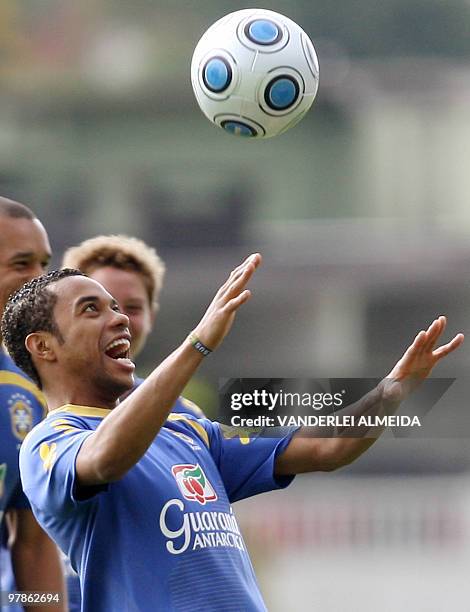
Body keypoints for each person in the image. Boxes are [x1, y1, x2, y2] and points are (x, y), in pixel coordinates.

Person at [2, 258, 463, 611]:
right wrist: (197, 343)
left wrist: (392, 392)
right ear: (44, 346)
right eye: (91, 310)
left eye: (118, 307)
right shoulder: (50, 442)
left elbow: (327, 447)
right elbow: (105, 459)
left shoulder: (189, 431)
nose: (119, 318)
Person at [0, 197, 65, 611]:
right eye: (22, 264)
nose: (41, 281)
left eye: (45, 264)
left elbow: (33, 546)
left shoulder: (27, 388)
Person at [61, 234, 203, 417]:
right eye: (95, 307)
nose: (120, 318)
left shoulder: (181, 415)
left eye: (133, 308)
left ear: (150, 318)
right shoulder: (29, 399)